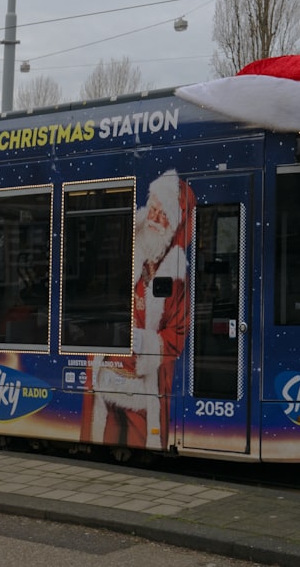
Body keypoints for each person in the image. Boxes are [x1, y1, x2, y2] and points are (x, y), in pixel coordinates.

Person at [87, 170, 195, 451]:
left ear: (172, 225)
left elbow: (179, 332)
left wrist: (144, 343)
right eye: (154, 210)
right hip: (106, 372)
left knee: (140, 439)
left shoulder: (177, 276)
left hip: (143, 382)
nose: (155, 220)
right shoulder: (125, 250)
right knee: (102, 435)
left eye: (163, 216)